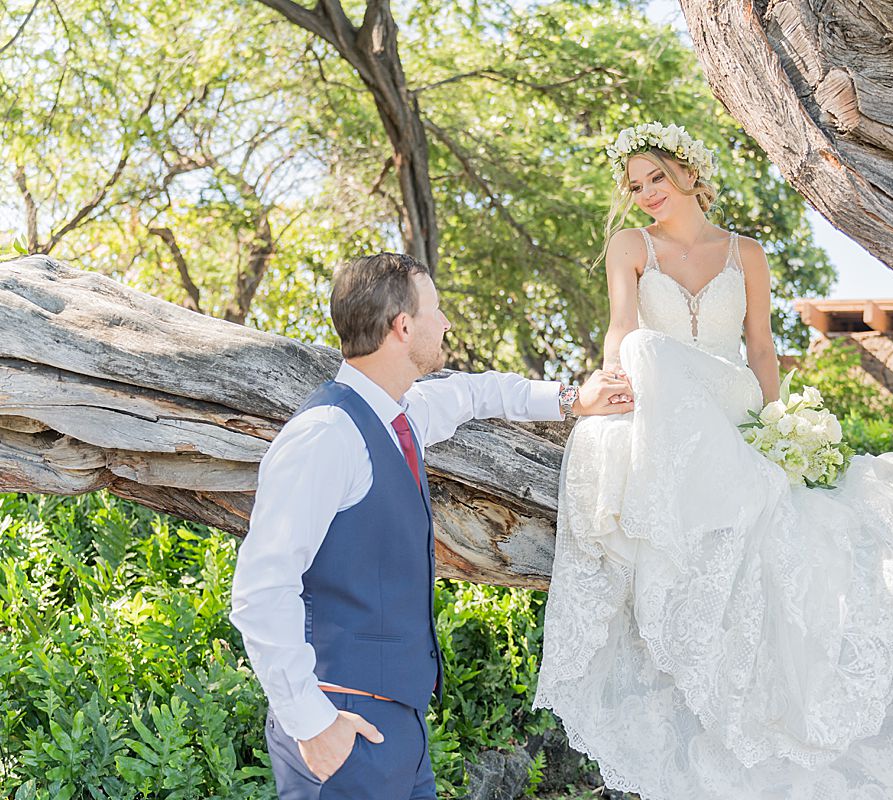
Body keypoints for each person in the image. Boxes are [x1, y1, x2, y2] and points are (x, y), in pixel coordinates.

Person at [531, 122, 893, 799]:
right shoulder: (629, 245)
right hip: (665, 399)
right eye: (635, 185)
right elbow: (622, 327)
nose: (645, 195)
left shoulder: (746, 254)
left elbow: (760, 348)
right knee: (644, 351)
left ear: (690, 175)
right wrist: (611, 376)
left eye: (656, 180)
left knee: (669, 367)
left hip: (730, 401)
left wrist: (773, 427)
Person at [230, 252, 634, 799]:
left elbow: (474, 393)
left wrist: (571, 399)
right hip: (340, 723)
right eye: (436, 311)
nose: (445, 323)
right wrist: (311, 723)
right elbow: (261, 588)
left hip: (401, 731)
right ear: (402, 326)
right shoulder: (327, 435)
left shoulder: (400, 413)